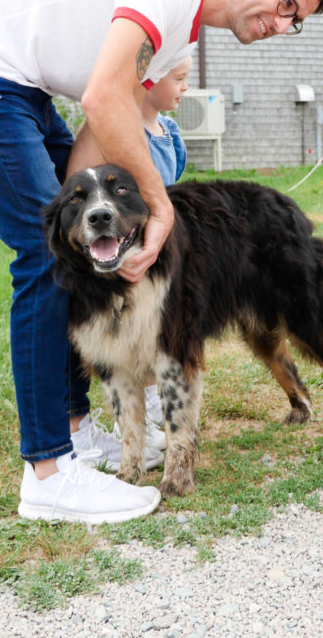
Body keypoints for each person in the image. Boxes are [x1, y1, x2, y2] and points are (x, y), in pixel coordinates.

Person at [0, 0, 323, 524]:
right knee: (45, 255)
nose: (281, 23)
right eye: (286, 2)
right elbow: (102, 100)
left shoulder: (173, 38)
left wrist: (104, 222)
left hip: (14, 85)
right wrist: (160, 206)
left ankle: (75, 432)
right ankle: (47, 473)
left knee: (78, 245)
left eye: (295, 20)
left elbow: (90, 155)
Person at [139, 54, 192, 447]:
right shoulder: (124, 131)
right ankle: (142, 403)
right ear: (149, 80)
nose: (185, 87)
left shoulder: (169, 131)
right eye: (179, 78)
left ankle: (164, 400)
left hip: (169, 243)